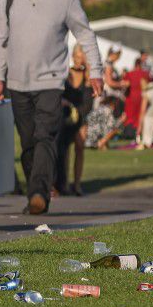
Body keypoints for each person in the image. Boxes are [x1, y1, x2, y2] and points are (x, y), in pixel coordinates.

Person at [0, 0, 103, 215]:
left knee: (45, 136)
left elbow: (85, 35)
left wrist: (96, 71)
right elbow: (1, 40)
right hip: (17, 83)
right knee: (28, 142)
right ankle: (35, 191)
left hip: (50, 81)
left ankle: (40, 193)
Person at [55, 45, 94, 195]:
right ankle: (62, 183)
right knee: (63, 149)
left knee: (80, 145)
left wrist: (87, 65)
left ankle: (77, 184)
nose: (78, 60)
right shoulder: (67, 74)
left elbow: (89, 98)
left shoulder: (87, 76)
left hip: (82, 115)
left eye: (81, 57)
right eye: (76, 57)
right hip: (66, 116)